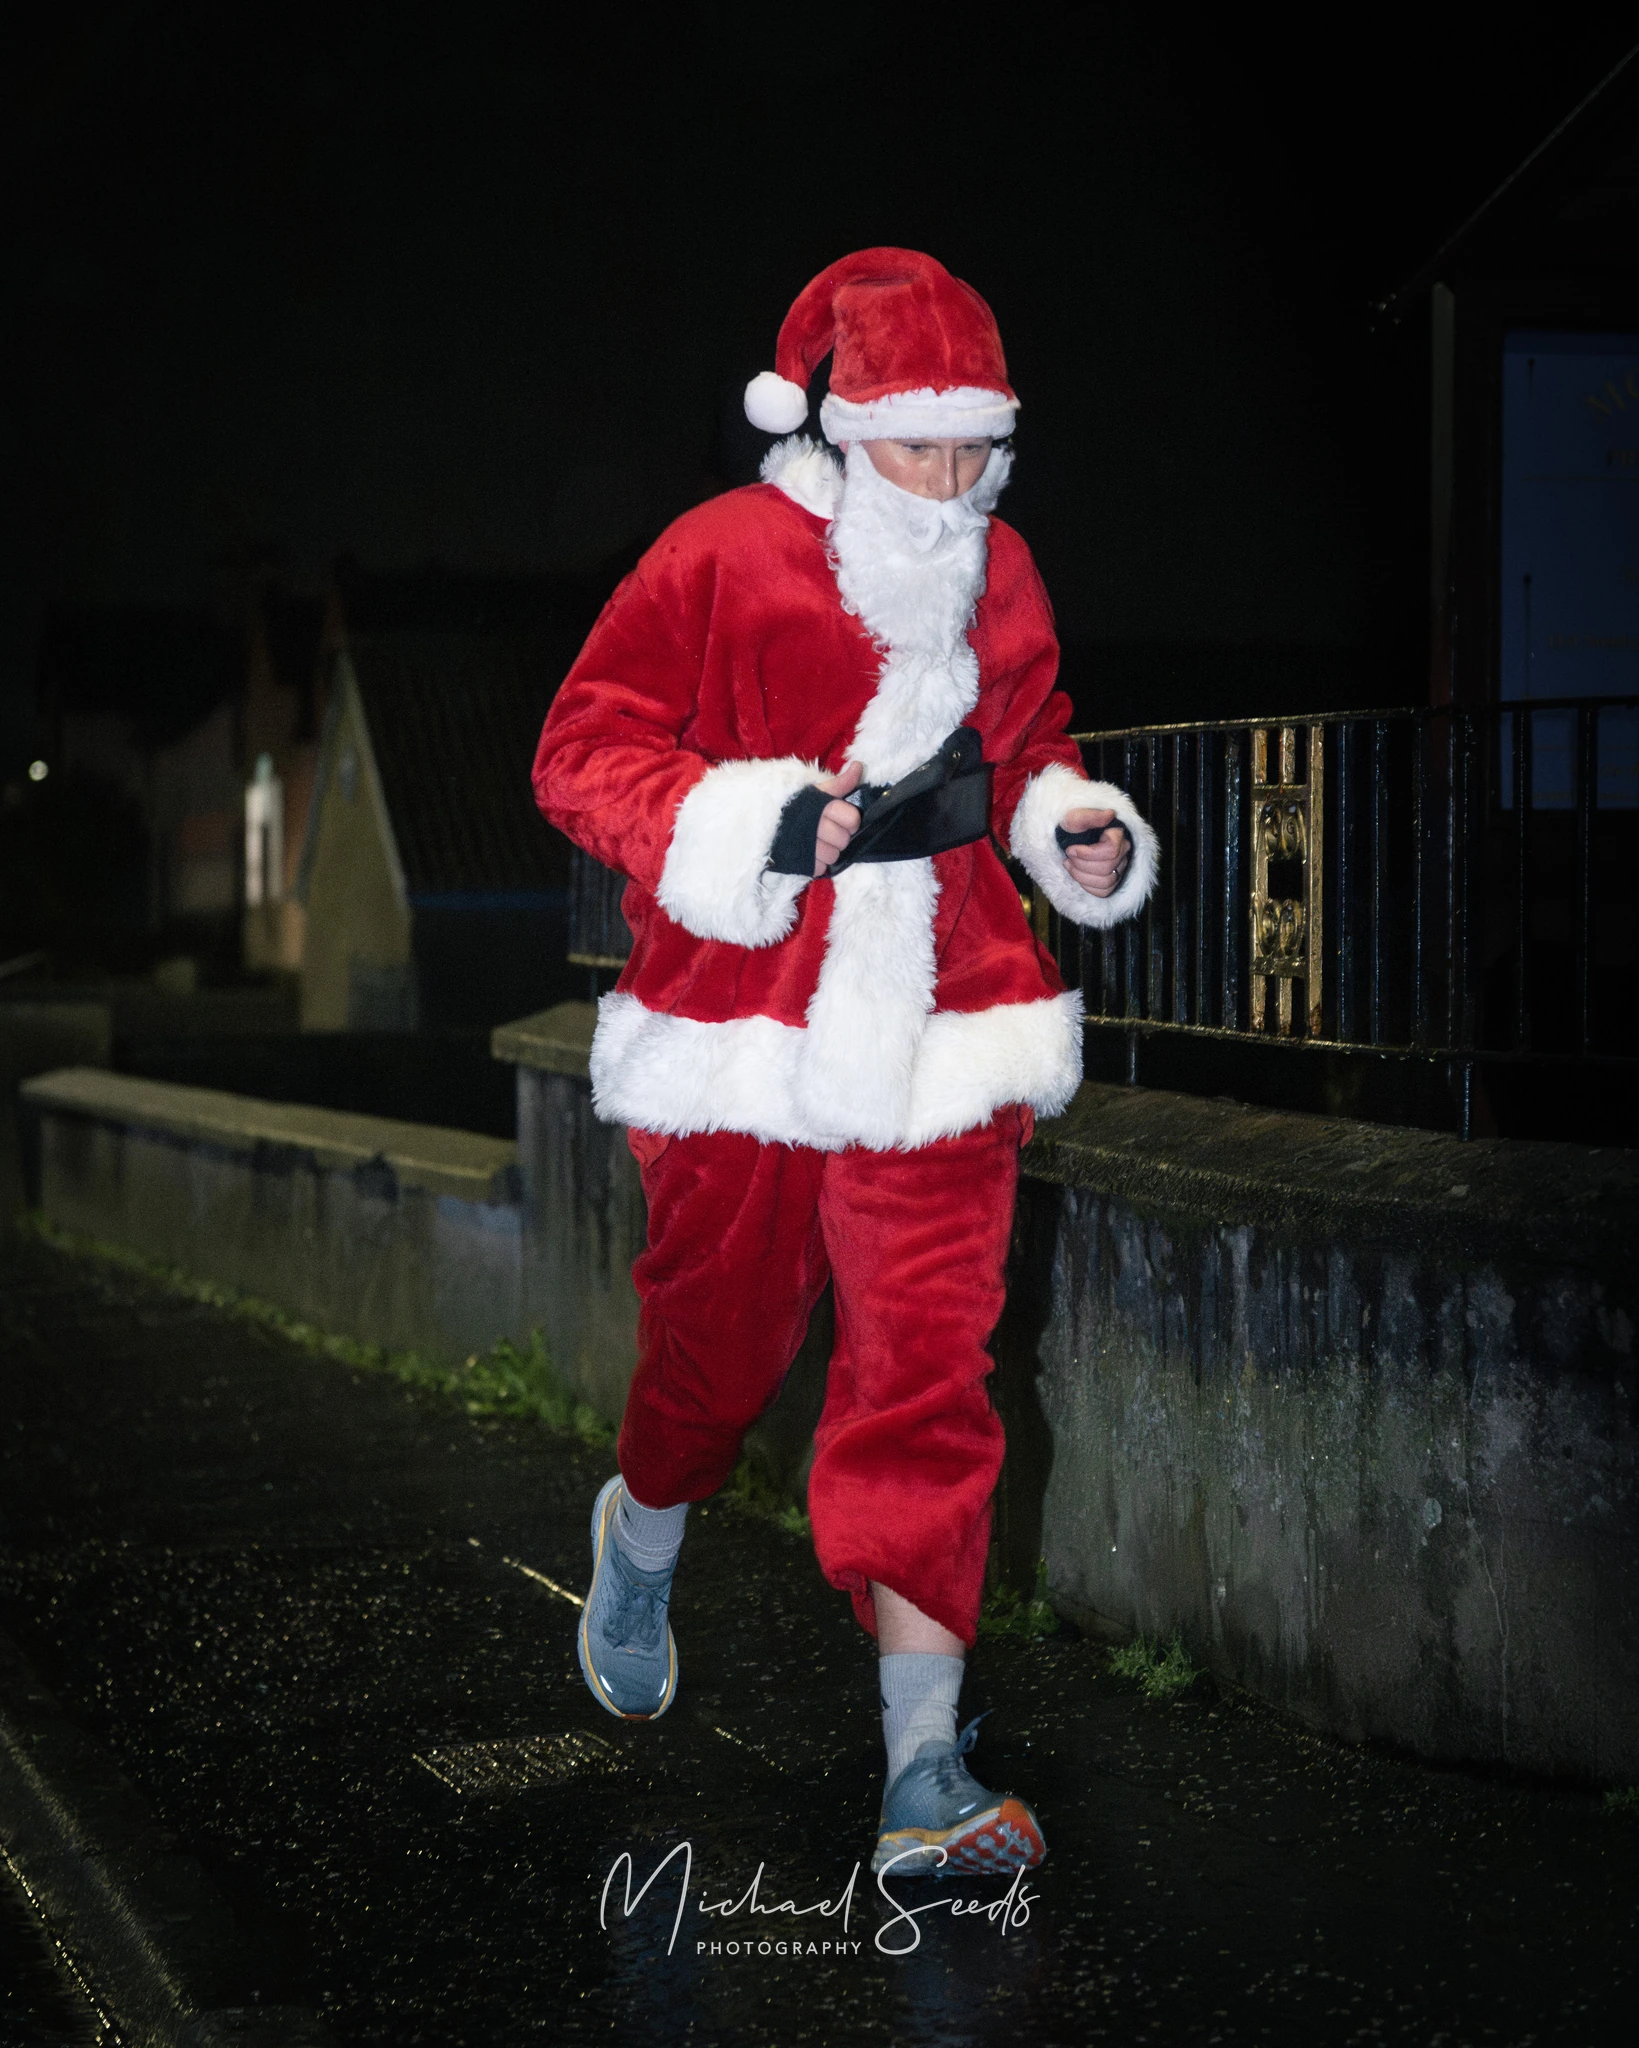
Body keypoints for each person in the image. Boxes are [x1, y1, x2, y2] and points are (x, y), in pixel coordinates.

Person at [532, 248, 1157, 1880]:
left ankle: (923, 1772)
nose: (948, 485)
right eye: (914, 448)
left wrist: (1068, 823)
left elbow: (1026, 740)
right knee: (713, 1360)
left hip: (948, 1035)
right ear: (833, 424)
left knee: (925, 1380)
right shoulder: (719, 552)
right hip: (737, 1033)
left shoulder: (997, 567)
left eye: (973, 450)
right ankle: (645, 1533)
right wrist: (741, 821)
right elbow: (579, 747)